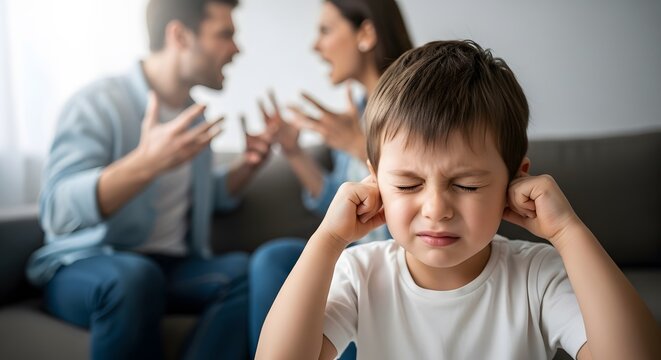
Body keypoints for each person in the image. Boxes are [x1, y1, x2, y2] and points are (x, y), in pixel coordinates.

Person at [255, 40, 661, 359]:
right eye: (408, 185)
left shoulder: (537, 276)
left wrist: (569, 232)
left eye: (466, 185)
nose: (436, 209)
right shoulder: (362, 274)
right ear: (374, 181)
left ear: (514, 182)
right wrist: (328, 241)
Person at [26, 0, 272, 359]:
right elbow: (56, 210)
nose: (237, 48)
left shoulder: (195, 120)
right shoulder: (96, 103)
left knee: (250, 272)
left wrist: (247, 167)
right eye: (225, 34)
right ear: (179, 36)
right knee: (135, 277)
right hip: (87, 266)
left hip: (170, 266)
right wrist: (145, 165)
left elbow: (201, 198)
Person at [249, 0, 412, 356]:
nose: (315, 45)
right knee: (273, 259)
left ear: (366, 33)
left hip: (396, 259)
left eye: (325, 30)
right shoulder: (357, 111)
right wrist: (293, 152)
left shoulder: (415, 108)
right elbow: (337, 206)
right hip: (356, 253)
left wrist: (359, 147)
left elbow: (422, 197)